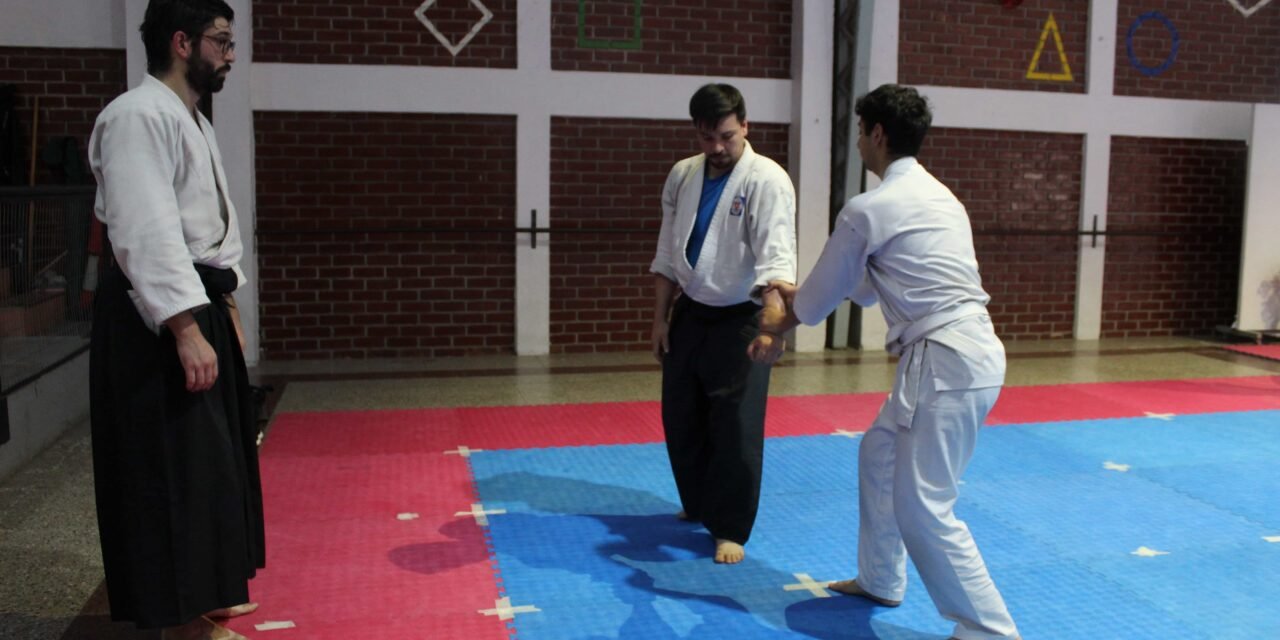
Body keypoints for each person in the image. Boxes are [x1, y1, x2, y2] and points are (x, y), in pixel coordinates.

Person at [754, 84, 1021, 639]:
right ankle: (881, 577)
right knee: (879, 453)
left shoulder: (869, 208)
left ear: (877, 134)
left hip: (943, 361)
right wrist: (802, 295)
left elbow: (821, 299)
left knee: (926, 506)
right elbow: (871, 288)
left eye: (858, 131)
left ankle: (989, 632)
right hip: (966, 354)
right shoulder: (941, 198)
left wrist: (781, 314)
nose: (857, 141)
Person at [87, 1, 264, 638]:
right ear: (183, 42)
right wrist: (184, 326)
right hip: (154, 318)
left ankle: (211, 586)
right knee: (166, 465)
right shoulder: (136, 116)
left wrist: (226, 309)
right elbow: (145, 230)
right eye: (222, 41)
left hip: (198, 301)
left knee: (211, 461)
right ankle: (172, 612)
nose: (231, 54)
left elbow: (214, 230)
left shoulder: (190, 119)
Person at [650, 83, 795, 564]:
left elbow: (777, 265)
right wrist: (660, 319)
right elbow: (667, 253)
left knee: (735, 425)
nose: (716, 148)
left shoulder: (766, 180)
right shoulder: (682, 174)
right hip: (691, 311)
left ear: (745, 126)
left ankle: (730, 527)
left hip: (742, 318)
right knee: (681, 414)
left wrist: (772, 330)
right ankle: (697, 504)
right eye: (707, 137)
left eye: (726, 137)